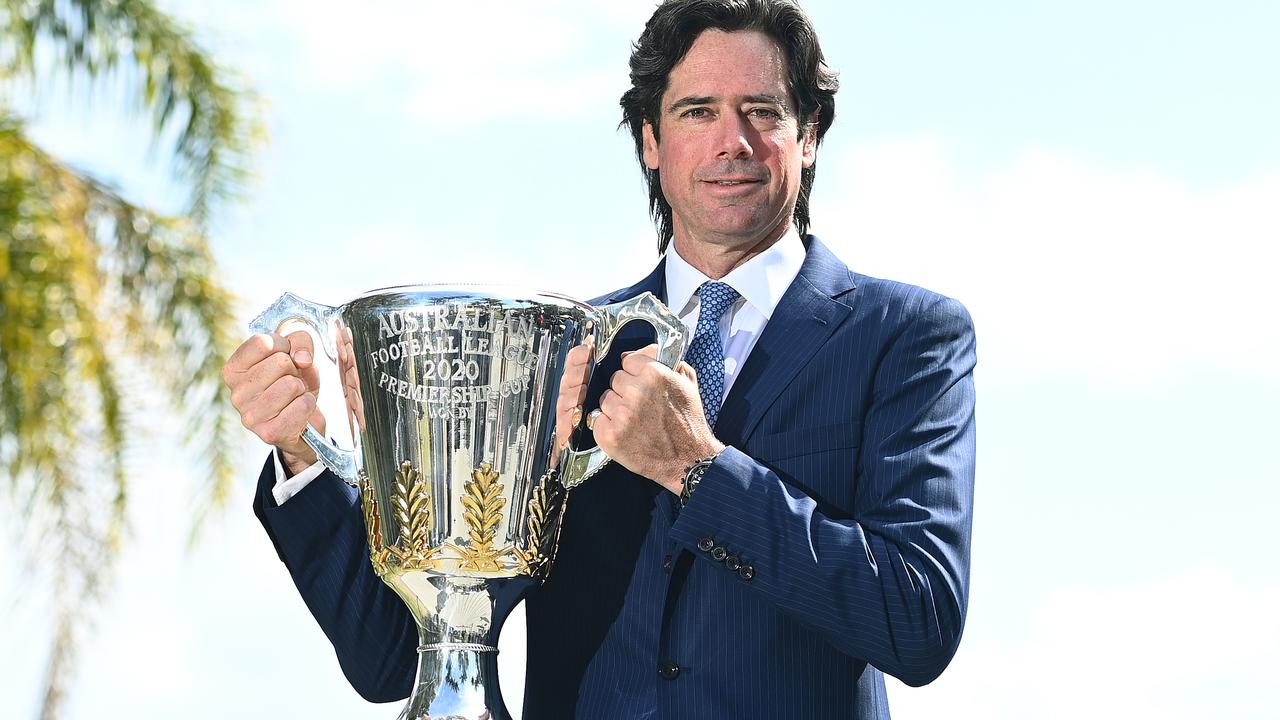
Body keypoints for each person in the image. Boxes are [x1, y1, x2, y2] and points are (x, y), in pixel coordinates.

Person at [221, 1, 976, 717]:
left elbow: (919, 619)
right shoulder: (560, 348)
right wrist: (302, 452)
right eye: (697, 111)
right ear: (650, 140)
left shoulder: (907, 336)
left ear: (809, 135)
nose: (732, 142)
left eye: (763, 111)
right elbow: (394, 660)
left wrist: (699, 468)